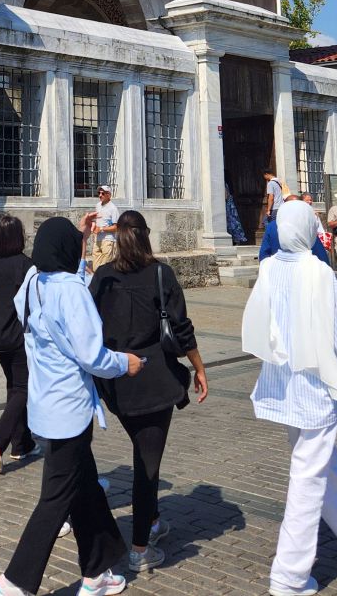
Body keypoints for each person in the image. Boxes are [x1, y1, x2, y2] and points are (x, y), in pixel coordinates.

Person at [0, 216, 145, 596]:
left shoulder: (33, 283)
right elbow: (92, 354)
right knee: (55, 499)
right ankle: (14, 582)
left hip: (45, 405)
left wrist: (83, 236)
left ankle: (98, 570)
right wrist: (127, 363)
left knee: (85, 487)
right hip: (69, 408)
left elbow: (59, 269)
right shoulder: (72, 292)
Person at [244, 200, 337, 596]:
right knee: (307, 480)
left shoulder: (267, 268)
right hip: (317, 392)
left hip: (285, 391)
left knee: (322, 468)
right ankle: (290, 577)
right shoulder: (319, 272)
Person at [90, 211, 208, 574]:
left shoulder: (103, 277)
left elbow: (88, 322)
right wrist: (199, 367)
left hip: (114, 382)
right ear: (144, 236)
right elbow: (181, 327)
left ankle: (153, 519)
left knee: (144, 450)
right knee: (147, 464)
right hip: (152, 382)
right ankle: (140, 546)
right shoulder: (160, 273)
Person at [0, 214, 36, 473]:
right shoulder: (25, 264)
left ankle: (21, 444)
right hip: (18, 336)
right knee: (24, 388)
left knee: (14, 386)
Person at [260, 195, 330, 264]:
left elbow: (264, 254)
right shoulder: (306, 225)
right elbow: (320, 254)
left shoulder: (272, 225)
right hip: (303, 267)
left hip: (279, 267)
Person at [90, 185, 121, 272]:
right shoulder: (98, 205)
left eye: (103, 193)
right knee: (95, 268)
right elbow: (96, 220)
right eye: (99, 193)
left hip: (108, 240)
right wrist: (93, 225)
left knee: (106, 269)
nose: (100, 195)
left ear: (109, 195)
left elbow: (116, 227)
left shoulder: (113, 208)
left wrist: (101, 229)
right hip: (98, 239)